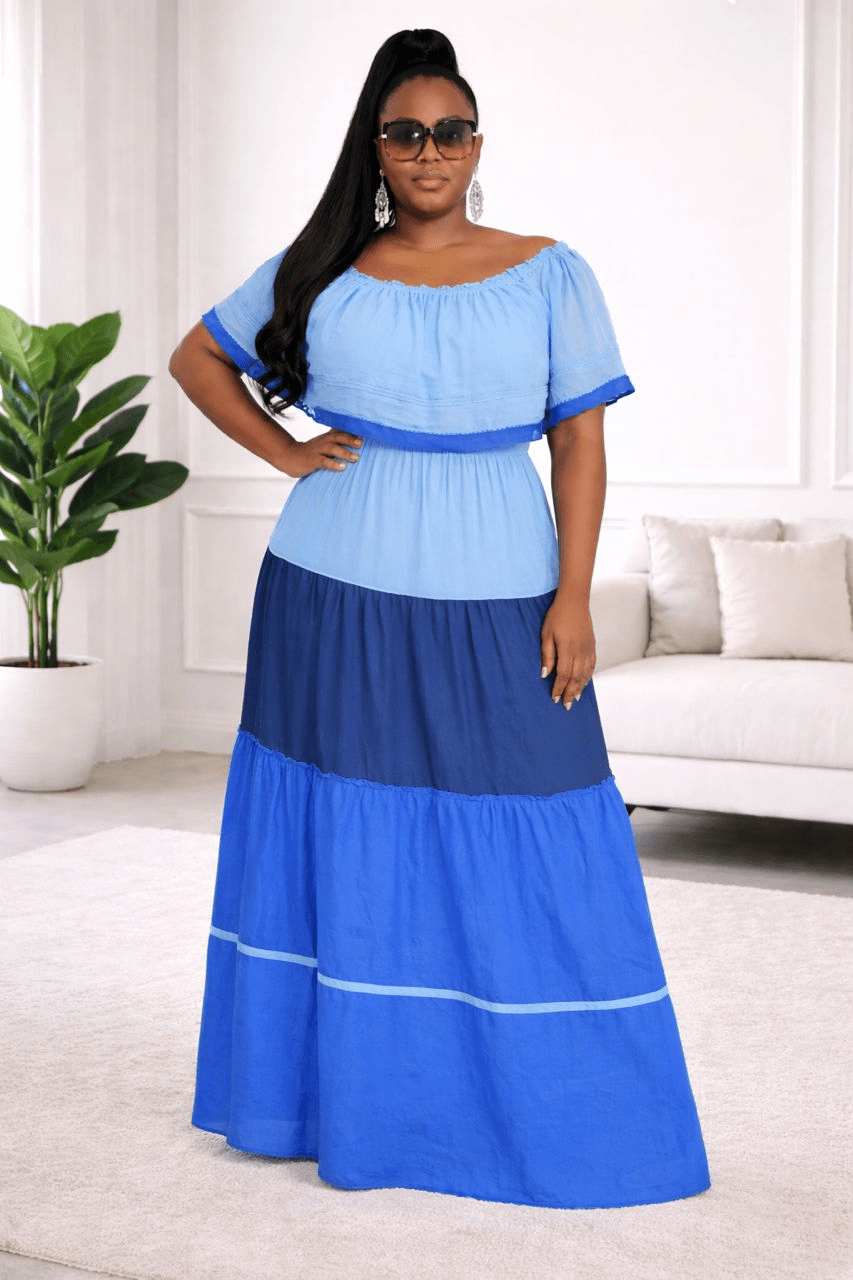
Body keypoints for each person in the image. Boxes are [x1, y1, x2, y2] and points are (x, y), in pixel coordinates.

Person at [169, 27, 711, 1211]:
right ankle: (343, 1102)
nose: (428, 150)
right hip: (329, 587)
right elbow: (197, 359)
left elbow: (579, 444)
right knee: (342, 829)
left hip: (501, 587)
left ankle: (549, 1103)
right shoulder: (323, 266)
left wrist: (572, 595)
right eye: (405, 132)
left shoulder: (550, 271)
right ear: (377, 147)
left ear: (477, 145)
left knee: (533, 818)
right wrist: (286, 452)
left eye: (449, 131)